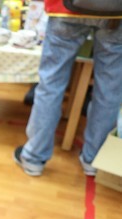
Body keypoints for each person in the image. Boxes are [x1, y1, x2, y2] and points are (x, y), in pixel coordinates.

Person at [14, 0, 122, 176]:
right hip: (116, 12)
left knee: (51, 82)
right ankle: (94, 159)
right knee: (109, 89)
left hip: (66, 8)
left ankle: (34, 156)